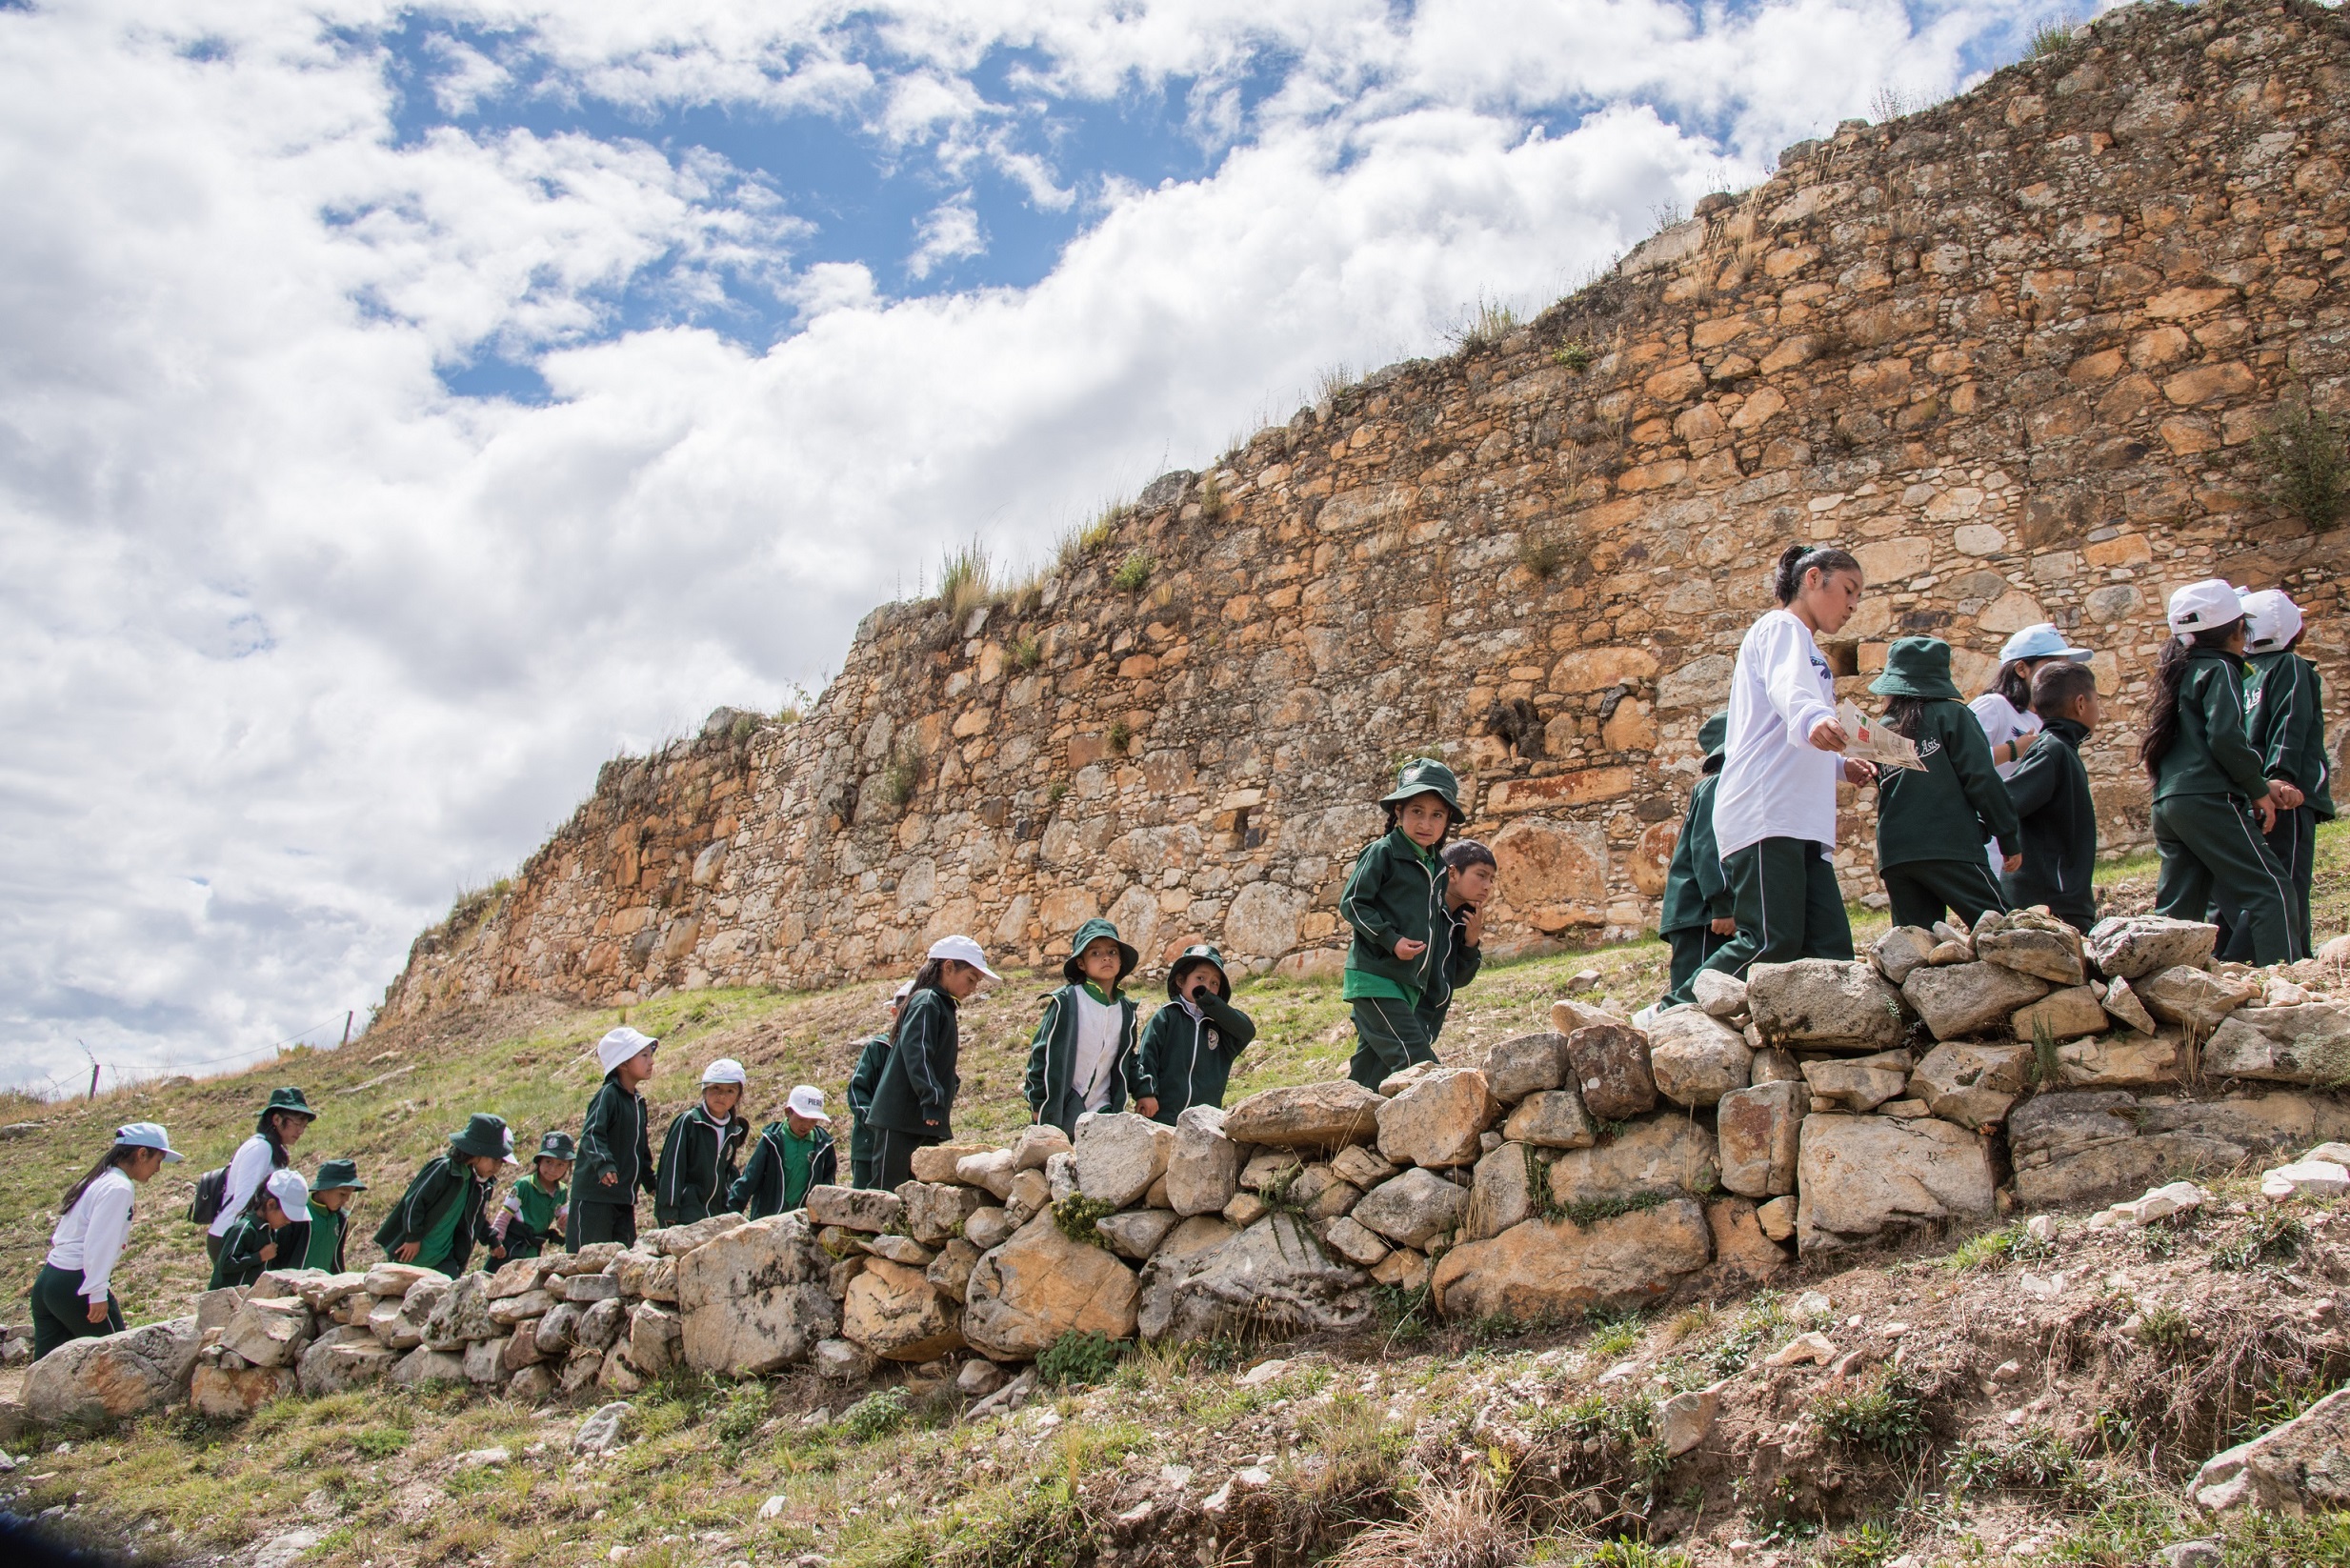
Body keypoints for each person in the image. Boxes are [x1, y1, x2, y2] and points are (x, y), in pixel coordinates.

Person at [1700, 545, 1879, 979]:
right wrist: (1816, 716)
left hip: (1798, 819)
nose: (1854, 605)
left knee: (1830, 948)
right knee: (1770, 941)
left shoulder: (1810, 651)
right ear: (1813, 578)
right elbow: (1789, 692)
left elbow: (1783, 726)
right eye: (1849, 590)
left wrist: (1841, 766)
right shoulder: (1780, 627)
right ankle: (1670, 1013)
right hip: (1767, 810)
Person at [2140, 580, 2300, 966]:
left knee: (2180, 909)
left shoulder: (2178, 672)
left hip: (2170, 802)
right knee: (2272, 890)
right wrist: (2257, 788)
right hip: (2207, 797)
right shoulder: (2220, 669)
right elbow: (2226, 737)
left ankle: (2159, 982)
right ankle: (2287, 982)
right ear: (2236, 631)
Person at [1869, 636, 2021, 931]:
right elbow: (1981, 778)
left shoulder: (1884, 728)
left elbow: (1887, 787)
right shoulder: (1953, 715)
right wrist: (2008, 836)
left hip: (1896, 855)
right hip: (1948, 844)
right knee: (2004, 931)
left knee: (1914, 946)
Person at [2223, 589, 2333, 960]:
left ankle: (2279, 954)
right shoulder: (2294, 668)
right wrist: (2282, 778)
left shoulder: (2243, 675)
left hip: (2251, 791)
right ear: (2294, 632)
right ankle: (2276, 959)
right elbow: (2291, 722)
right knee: (2288, 881)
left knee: (2262, 879)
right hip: (2287, 797)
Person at [1340, 758, 1463, 1089]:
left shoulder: (1438, 866)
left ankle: (1344, 1134)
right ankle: (1450, 1123)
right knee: (1417, 1061)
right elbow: (1352, 902)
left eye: (1437, 814)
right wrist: (1390, 939)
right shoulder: (1383, 852)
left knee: (1371, 1073)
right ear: (1398, 812)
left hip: (1407, 983)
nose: (1426, 823)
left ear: (1448, 819)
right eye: (1417, 811)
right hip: (1375, 978)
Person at [34, 1122, 182, 1359]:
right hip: (77, 1282)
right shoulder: (119, 1187)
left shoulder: (98, 1177)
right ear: (142, 1153)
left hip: (49, 1280)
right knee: (117, 1359)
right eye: (159, 1161)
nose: (158, 1170)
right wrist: (97, 1293)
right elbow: (99, 1243)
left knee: (42, 1370)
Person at [866, 935, 998, 1189]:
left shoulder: (940, 1005)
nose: (973, 989)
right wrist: (932, 1097)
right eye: (971, 979)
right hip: (901, 1120)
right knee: (887, 1196)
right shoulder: (927, 1001)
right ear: (948, 967)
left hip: (919, 1120)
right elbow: (917, 1052)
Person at [1971, 624, 2093, 872]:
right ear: (2021, 669)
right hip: (1990, 844)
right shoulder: (1993, 706)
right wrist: (2014, 750)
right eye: (2051, 665)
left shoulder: (2040, 720)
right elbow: (1959, 762)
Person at [2003, 660, 2102, 932]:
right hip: (2050, 905)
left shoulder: (2062, 749)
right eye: (2097, 701)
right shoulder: (2053, 751)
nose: (2099, 710)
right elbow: (2005, 803)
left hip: (2060, 900)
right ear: (2081, 704)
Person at [1025, 918, 1141, 1136]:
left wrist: (1143, 1090)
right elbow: (1041, 1052)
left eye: (1113, 952)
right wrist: (1038, 1102)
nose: (1106, 957)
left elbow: (1128, 1057)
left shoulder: (1125, 1009)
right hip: (1064, 1104)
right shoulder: (1067, 1001)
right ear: (1081, 964)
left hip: (1103, 1106)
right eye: (1095, 953)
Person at [1653, 712, 1734, 1012]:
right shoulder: (1717, 786)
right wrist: (1722, 905)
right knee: (1691, 998)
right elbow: (1707, 846)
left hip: (1703, 913)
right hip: (1700, 914)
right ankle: (1655, 1020)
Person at [373, 1115, 515, 1276]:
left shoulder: (472, 1181)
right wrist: (412, 1237)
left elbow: (474, 1217)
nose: (497, 1167)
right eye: (495, 1159)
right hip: (411, 1253)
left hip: (442, 1259)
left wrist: (492, 1240)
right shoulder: (443, 1169)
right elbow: (414, 1202)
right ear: (478, 1151)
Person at [1132, 945, 1257, 1125]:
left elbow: (1247, 1031)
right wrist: (1146, 1093)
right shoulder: (1166, 1016)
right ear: (1181, 981)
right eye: (1200, 978)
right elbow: (1148, 1056)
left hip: (1203, 1124)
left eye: (1214, 983)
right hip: (1162, 1118)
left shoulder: (1222, 1027)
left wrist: (1210, 1002)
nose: (1207, 986)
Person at [204, 1087, 317, 1264]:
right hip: (233, 1238)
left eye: (304, 1126)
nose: (301, 1131)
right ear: (277, 1119)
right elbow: (243, 1202)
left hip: (246, 1237)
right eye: (297, 1124)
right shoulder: (260, 1149)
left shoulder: (274, 1150)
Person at [575, 1026, 657, 1249]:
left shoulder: (638, 1103)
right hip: (596, 1199)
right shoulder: (607, 1096)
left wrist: (651, 1182)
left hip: (624, 1199)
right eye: (644, 1055)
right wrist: (604, 1164)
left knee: (620, 1264)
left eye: (651, 1055)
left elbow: (641, 1149)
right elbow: (592, 1134)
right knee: (589, 1265)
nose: (651, 1062)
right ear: (623, 1064)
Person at [655, 1059, 751, 1226]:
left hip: (713, 1217)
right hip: (685, 1214)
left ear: (738, 1097)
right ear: (704, 1089)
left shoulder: (733, 1131)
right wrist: (669, 1209)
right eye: (716, 1088)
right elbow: (672, 1167)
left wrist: (725, 1210)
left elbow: (726, 1175)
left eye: (730, 1091)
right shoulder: (689, 1122)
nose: (722, 1095)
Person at [1416, 840, 1492, 1047]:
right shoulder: (1423, 909)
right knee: (1421, 1071)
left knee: (1367, 1076)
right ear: (1452, 874)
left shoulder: (1462, 921)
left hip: (1427, 1024)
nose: (1488, 886)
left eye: (1491, 879)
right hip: (1401, 1017)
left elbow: (1458, 980)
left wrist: (1471, 942)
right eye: (1481, 875)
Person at [731, 1086, 839, 1218]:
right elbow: (749, 1180)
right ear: (788, 1112)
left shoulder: (823, 1146)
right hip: (767, 1219)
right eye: (802, 1118)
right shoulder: (771, 1141)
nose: (806, 1125)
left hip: (803, 1220)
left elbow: (828, 1187)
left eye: (813, 1121)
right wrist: (730, 1214)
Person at [846, 982, 909, 1189]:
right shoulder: (879, 1048)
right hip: (870, 1146)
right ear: (894, 1012)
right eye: (906, 1011)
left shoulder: (924, 1050)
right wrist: (875, 1124)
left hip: (908, 1148)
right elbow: (857, 1091)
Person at [210, 1169, 311, 1291]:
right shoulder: (244, 1229)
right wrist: (259, 1256)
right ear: (271, 1204)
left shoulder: (269, 1232)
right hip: (225, 1301)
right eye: (286, 1215)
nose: (289, 1221)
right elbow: (226, 1263)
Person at [491, 1134, 572, 1262]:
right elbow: (504, 1216)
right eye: (548, 1162)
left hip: (533, 1250)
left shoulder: (561, 1191)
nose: (553, 1169)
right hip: (509, 1248)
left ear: (568, 1166)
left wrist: (565, 1224)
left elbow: (564, 1222)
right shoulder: (523, 1186)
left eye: (560, 1164)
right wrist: (495, 1242)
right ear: (539, 1161)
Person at [301, 1159, 367, 1274]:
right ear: (323, 1188)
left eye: (349, 1194)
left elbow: (337, 1258)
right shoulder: (300, 1216)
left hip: (325, 1286)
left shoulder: (340, 1218)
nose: (346, 1199)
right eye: (342, 1194)